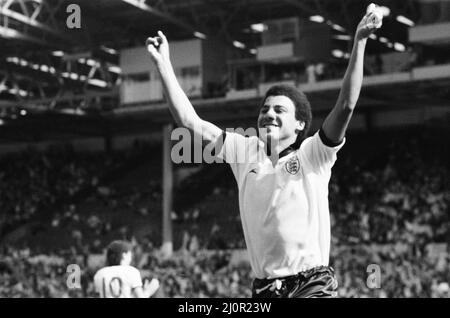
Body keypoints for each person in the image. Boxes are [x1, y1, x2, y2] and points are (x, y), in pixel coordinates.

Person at [146, 5, 383, 298]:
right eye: (265, 109)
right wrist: (164, 66)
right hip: (264, 289)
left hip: (311, 285)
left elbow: (345, 105)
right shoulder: (243, 151)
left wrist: (359, 41)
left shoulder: (314, 155)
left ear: (299, 124)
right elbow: (189, 121)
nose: (269, 114)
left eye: (279, 110)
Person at [93, 240, 159, 298]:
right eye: (130, 254)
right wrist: (149, 291)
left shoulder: (99, 274)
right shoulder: (131, 271)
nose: (131, 257)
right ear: (124, 255)